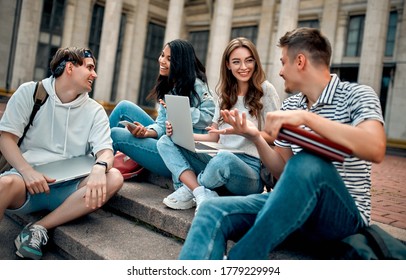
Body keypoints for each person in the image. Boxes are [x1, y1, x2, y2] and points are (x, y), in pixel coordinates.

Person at [178, 27, 386, 259]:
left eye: (283, 62)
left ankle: (240, 262)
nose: (280, 72)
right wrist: (255, 136)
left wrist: (307, 118)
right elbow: (283, 170)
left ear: (300, 61)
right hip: (292, 207)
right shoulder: (291, 105)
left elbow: (375, 147)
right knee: (210, 210)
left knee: (308, 162)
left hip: (343, 216)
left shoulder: (357, 95)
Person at [0, 47, 123, 260]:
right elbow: (6, 139)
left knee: (114, 177)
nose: (95, 74)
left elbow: (105, 151)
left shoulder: (95, 111)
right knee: (3, 185)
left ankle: (38, 228)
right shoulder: (31, 92)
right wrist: (27, 172)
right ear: (69, 67)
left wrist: (99, 167)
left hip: (71, 190)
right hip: (28, 183)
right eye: (90, 68)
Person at [157, 37, 280, 211]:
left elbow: (275, 136)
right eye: (236, 62)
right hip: (218, 157)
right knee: (166, 141)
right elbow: (213, 137)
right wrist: (180, 134)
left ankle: (190, 189)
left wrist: (248, 133)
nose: (243, 67)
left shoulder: (266, 90)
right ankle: (200, 192)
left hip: (250, 170)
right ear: (228, 65)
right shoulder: (224, 95)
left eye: (248, 60)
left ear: (255, 62)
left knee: (224, 159)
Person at [109, 39, 215, 179]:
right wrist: (146, 132)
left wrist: (180, 111)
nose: (162, 60)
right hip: (168, 140)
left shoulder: (197, 85)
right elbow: (162, 124)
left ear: (181, 63)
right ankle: (92, 158)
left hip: (184, 155)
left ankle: (95, 165)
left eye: (169, 59)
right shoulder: (171, 85)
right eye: (162, 55)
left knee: (115, 134)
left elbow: (209, 118)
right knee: (124, 107)